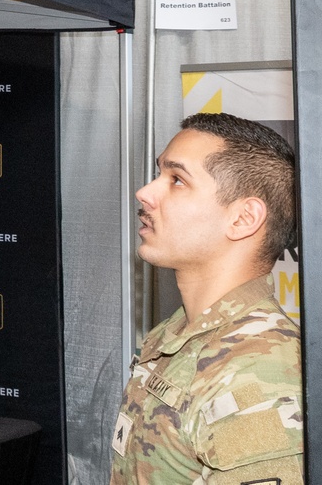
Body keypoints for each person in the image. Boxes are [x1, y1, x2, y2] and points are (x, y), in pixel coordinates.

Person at [110, 112, 303, 484]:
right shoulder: (175, 333)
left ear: (243, 219)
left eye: (177, 179)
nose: (145, 192)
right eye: (159, 174)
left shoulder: (260, 372)